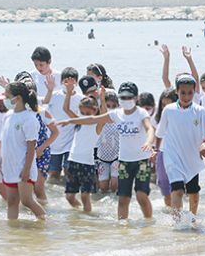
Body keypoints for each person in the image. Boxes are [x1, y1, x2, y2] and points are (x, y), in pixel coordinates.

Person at [61, 82, 155, 219]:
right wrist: (70, 121)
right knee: (123, 198)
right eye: (122, 97)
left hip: (141, 161)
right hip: (124, 162)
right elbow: (94, 118)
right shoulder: (117, 114)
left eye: (129, 97)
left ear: (135, 98)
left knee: (141, 196)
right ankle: (122, 229)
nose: (126, 100)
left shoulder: (141, 113)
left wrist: (149, 142)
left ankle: (148, 223)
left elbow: (149, 128)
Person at [154, 74, 205, 222]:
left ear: (194, 92)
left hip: (192, 158)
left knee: (193, 194)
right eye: (183, 92)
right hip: (172, 157)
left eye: (190, 92)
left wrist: (204, 144)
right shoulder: (168, 110)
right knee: (177, 190)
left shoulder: (200, 111)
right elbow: (159, 133)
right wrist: (155, 152)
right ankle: (178, 224)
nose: (186, 96)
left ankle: (193, 220)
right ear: (177, 91)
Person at [0, 81, 46, 220]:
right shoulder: (8, 115)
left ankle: (44, 222)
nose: (5, 99)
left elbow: (32, 147)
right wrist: (1, 161)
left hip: (23, 167)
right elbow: (6, 141)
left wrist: (26, 169)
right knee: (12, 201)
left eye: (7, 96)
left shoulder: (29, 118)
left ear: (18, 98)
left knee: (27, 201)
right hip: (10, 166)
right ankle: (13, 233)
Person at [58, 87, 105, 213]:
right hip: (73, 161)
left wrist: (102, 99)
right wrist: (68, 93)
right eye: (82, 113)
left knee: (85, 196)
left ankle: (88, 218)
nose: (84, 116)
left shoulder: (97, 124)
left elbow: (104, 114)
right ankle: (80, 216)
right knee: (69, 197)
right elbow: (66, 109)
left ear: (95, 111)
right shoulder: (79, 122)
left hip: (87, 164)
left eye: (87, 113)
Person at [44, 67, 83, 181]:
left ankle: (67, 195)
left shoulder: (81, 99)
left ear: (76, 82)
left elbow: (81, 120)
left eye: (72, 81)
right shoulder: (54, 95)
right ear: (61, 82)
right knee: (53, 174)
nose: (68, 84)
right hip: (54, 142)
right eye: (66, 81)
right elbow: (43, 104)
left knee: (69, 173)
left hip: (71, 142)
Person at [153, 87, 178, 207]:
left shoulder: (182, 117)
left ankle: (178, 213)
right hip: (161, 153)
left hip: (177, 154)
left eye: (169, 104)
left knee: (177, 185)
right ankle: (169, 209)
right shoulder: (156, 119)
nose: (165, 108)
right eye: (163, 105)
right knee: (163, 183)